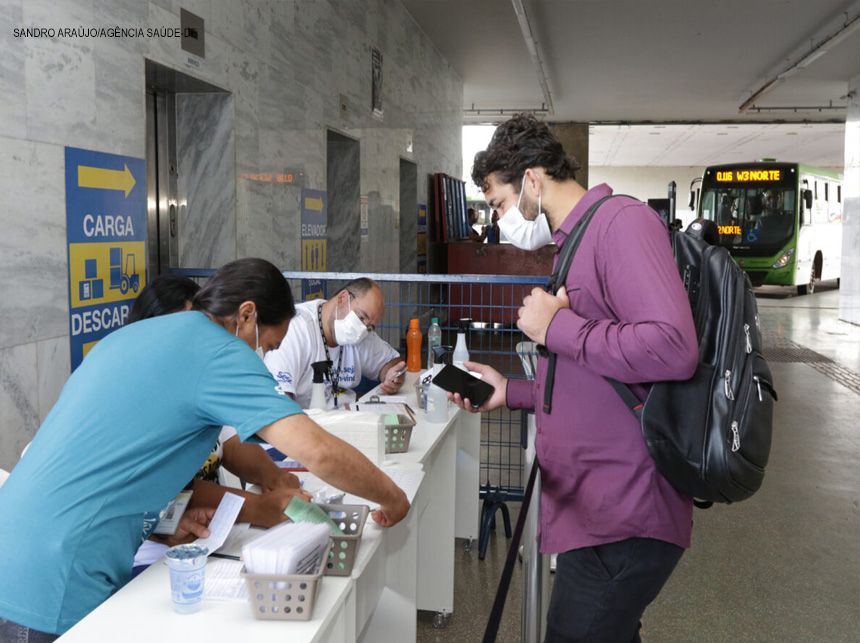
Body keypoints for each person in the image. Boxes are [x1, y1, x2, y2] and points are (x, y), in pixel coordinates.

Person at [0, 258, 409, 640]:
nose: (261, 356)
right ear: (246, 315)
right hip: (58, 574)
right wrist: (391, 496)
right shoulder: (219, 350)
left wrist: (271, 481)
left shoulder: (138, 336)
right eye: (266, 343)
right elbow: (318, 452)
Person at [456, 115, 698, 642]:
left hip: (626, 510)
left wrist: (558, 326)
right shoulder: (577, 241)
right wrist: (511, 391)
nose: (499, 222)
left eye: (498, 203)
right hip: (595, 506)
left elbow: (674, 347)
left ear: (533, 181)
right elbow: (591, 373)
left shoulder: (620, 225)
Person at [127, 275, 311, 533]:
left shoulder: (202, 378)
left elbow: (230, 442)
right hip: (150, 547)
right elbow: (178, 487)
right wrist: (257, 507)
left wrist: (275, 477)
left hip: (205, 533)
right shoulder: (147, 390)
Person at [265, 278, 406, 409]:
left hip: (347, 420)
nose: (363, 329)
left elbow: (392, 362)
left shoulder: (362, 335)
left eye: (370, 327)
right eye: (361, 317)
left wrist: (394, 375)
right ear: (343, 298)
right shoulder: (296, 329)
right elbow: (278, 404)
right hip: (306, 424)